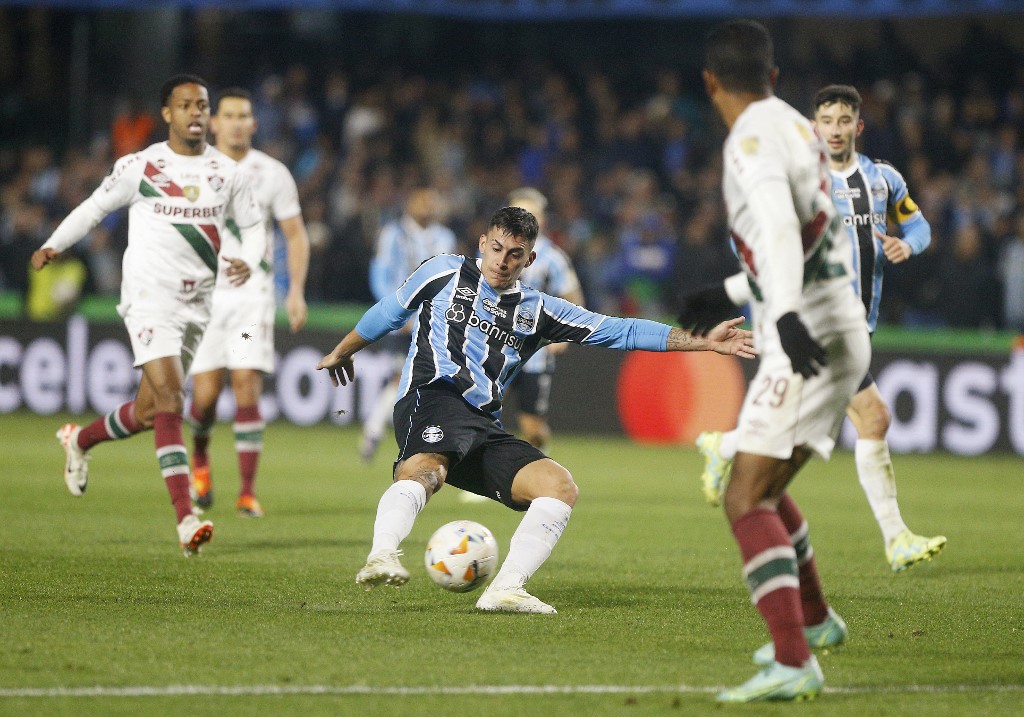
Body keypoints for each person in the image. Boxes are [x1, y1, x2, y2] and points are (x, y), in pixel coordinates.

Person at [318, 206, 755, 615]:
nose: (502, 261)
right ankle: (381, 555)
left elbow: (620, 330)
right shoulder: (442, 272)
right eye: (496, 248)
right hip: (432, 397)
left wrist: (702, 340)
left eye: (515, 255)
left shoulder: (539, 310)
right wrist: (343, 350)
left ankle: (505, 589)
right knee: (425, 470)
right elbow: (389, 313)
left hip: (483, 424)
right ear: (482, 241)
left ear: (529, 260)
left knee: (559, 487)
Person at [676, 21, 871, 701]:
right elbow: (810, 232)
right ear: (776, 77)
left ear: (709, 83)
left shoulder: (750, 144)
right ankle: (814, 622)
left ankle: (794, 658)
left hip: (806, 332)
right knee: (766, 479)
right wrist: (731, 290)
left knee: (744, 492)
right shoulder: (793, 125)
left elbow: (784, 234)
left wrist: (782, 314)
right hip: (833, 321)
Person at [694, 84, 946, 573]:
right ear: (814, 126)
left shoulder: (883, 179)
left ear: (858, 126)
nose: (834, 129)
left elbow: (919, 227)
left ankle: (723, 445)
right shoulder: (798, 180)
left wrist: (906, 246)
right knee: (872, 419)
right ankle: (896, 538)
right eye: (826, 120)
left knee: (794, 432)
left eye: (843, 120)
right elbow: (752, 239)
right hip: (815, 323)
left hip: (858, 326)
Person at [32, 74, 263, 556]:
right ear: (167, 114)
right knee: (172, 397)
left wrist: (248, 255)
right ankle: (185, 518)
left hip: (198, 303)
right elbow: (95, 208)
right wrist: (54, 242)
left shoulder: (227, 172)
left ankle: (80, 439)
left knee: (147, 410)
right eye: (185, 106)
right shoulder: (142, 167)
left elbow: (253, 224)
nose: (195, 113)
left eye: (202, 105)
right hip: (148, 299)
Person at [187, 87, 311, 518]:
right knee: (203, 397)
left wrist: (294, 290)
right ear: (215, 123)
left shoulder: (272, 173)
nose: (238, 122)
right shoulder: (194, 169)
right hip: (203, 298)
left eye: (245, 115)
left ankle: (246, 492)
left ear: (254, 124)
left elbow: (295, 234)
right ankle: (200, 460)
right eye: (230, 115)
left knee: (245, 384)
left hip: (252, 299)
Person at [358, 188, 456, 463]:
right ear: (409, 204)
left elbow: (450, 279)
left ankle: (396, 433)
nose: (427, 206)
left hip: (435, 321)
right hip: (403, 320)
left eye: (432, 201)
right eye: (422, 201)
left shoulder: (445, 237)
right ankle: (375, 431)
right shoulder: (393, 234)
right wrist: (394, 312)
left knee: (433, 380)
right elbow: (380, 273)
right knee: (399, 376)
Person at [504, 187, 584, 450]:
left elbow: (573, 297)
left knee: (532, 425)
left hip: (534, 353)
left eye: (531, 214)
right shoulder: (492, 251)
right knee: (480, 412)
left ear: (543, 219)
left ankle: (541, 459)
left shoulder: (553, 257)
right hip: (493, 345)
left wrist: (565, 336)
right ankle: (481, 474)